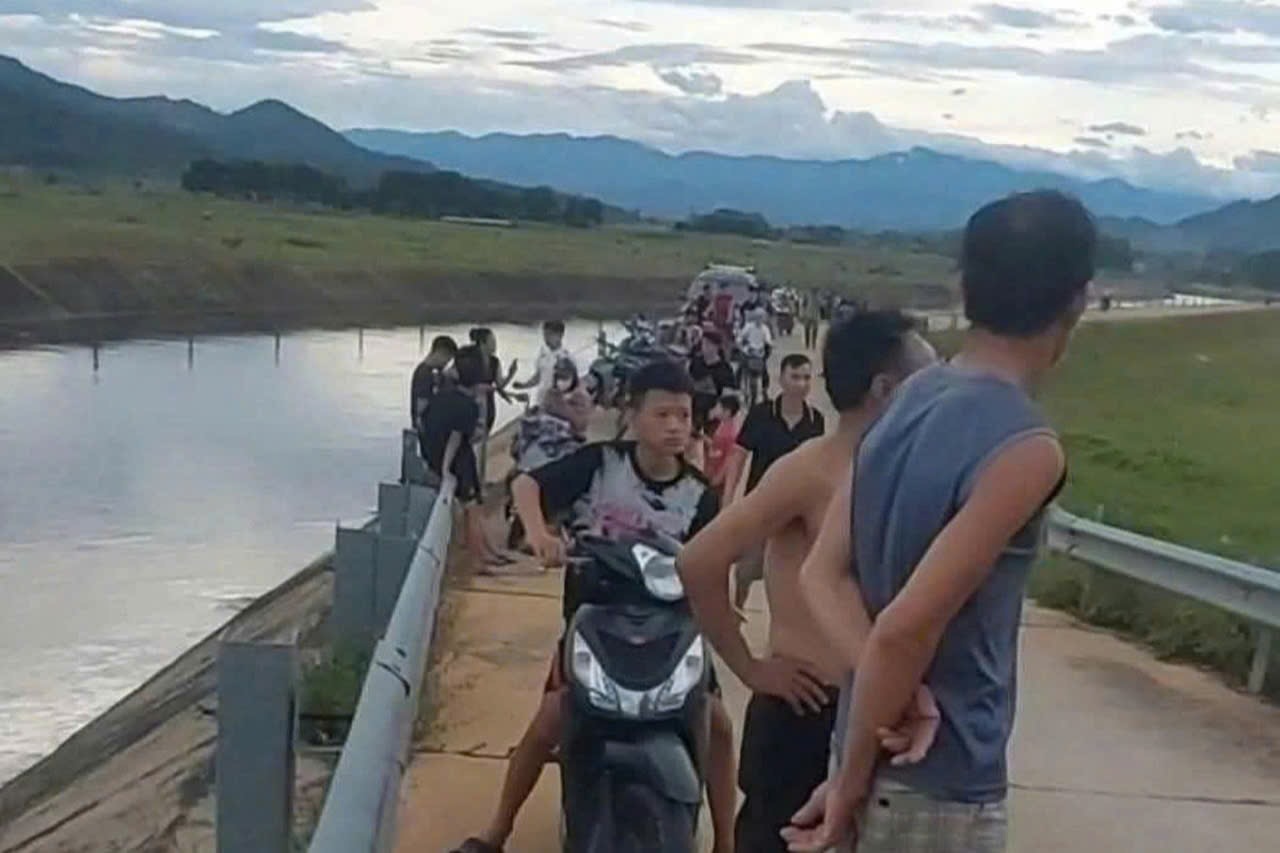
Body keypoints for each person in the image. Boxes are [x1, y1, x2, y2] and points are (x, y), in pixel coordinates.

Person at [783, 190, 1094, 853]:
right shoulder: (1026, 448)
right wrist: (849, 783)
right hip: (943, 779)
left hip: (865, 742)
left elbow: (823, 572)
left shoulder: (911, 392)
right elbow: (904, 630)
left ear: (965, 284)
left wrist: (853, 759)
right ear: (1077, 300)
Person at [451, 360, 738, 853]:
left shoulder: (699, 497)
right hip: (596, 626)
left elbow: (713, 567)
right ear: (632, 414)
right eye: (662, 414)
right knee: (550, 720)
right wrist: (540, 534)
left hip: (670, 632)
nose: (674, 426)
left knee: (717, 722)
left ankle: (727, 842)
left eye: (684, 416)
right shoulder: (600, 463)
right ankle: (497, 831)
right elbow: (526, 485)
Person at [678, 313, 938, 853]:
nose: (941, 393)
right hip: (805, 713)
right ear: (885, 390)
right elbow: (700, 560)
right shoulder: (811, 470)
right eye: (928, 378)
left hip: (882, 720)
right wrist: (750, 668)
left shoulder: (912, 474)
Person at [723, 353, 825, 611]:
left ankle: (784, 633)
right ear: (782, 378)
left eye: (806, 378)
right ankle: (738, 607)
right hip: (760, 506)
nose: (801, 384)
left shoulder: (815, 421)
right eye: (795, 377)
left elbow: (818, 466)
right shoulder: (761, 414)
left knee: (789, 577)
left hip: (796, 512)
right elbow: (739, 455)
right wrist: (728, 499)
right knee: (747, 570)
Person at [418, 344, 511, 569]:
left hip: (439, 450)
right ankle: (480, 558)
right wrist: (446, 469)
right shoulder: (467, 406)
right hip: (451, 457)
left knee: (477, 502)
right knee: (471, 506)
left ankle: (490, 550)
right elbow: (455, 439)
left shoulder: (446, 393)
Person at [470, 327, 519, 435]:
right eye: (492, 342)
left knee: (485, 434)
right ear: (483, 344)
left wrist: (511, 373)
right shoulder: (469, 360)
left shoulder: (494, 362)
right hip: (473, 403)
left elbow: (500, 385)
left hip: (489, 403)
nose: (495, 345)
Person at [690, 329, 739, 434]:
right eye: (703, 344)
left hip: (714, 411)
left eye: (709, 344)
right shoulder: (696, 363)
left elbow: (729, 394)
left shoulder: (725, 369)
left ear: (716, 347)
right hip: (694, 410)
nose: (705, 347)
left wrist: (718, 409)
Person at [410, 335, 458, 435]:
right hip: (429, 430)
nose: (446, 363)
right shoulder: (424, 374)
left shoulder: (434, 372)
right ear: (440, 353)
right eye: (447, 359)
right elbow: (421, 404)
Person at [513, 319, 569, 403]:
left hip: (557, 402)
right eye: (544, 334)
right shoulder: (543, 353)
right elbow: (539, 376)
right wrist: (524, 385)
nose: (545, 338)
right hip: (541, 400)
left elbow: (569, 384)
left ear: (560, 335)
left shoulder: (566, 357)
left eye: (549, 335)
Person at [704, 393, 743, 498]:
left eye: (718, 407)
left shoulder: (729, 433)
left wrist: (718, 477)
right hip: (713, 469)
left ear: (727, 412)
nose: (715, 409)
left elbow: (729, 458)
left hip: (718, 474)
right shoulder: (723, 424)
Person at [736, 308, 774, 396]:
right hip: (749, 351)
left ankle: (765, 389)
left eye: (761, 317)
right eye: (758, 317)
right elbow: (740, 338)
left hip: (759, 352)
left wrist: (770, 344)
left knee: (764, 370)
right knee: (741, 367)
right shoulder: (749, 327)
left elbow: (768, 340)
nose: (760, 319)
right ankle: (736, 386)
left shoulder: (765, 329)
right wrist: (740, 345)